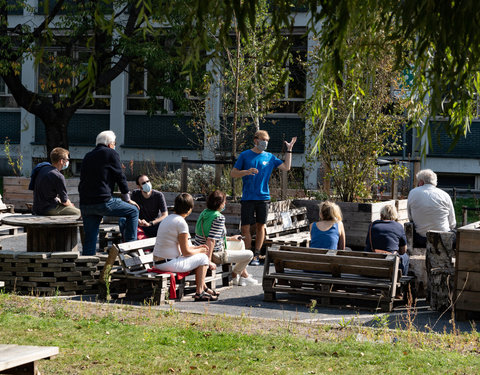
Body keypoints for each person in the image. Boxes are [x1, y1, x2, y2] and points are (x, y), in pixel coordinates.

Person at [231, 130, 297, 265]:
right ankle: (246, 254)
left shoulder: (270, 157)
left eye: (267, 141)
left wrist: (289, 150)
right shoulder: (245, 155)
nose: (265, 143)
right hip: (248, 197)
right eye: (263, 140)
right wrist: (246, 172)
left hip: (263, 197)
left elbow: (286, 167)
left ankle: (256, 254)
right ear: (255, 140)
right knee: (245, 227)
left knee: (261, 226)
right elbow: (233, 173)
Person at [78, 130, 140, 256]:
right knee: (133, 211)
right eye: (114, 143)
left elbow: (83, 180)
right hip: (103, 202)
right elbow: (120, 176)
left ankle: (86, 269)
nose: (115, 145)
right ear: (110, 144)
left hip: (86, 205)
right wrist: (127, 198)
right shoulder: (110, 153)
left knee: (90, 240)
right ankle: (131, 248)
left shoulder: (87, 156)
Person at [153, 193, 217, 302]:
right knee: (203, 258)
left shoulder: (168, 218)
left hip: (159, 262)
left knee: (200, 256)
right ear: (189, 209)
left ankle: (204, 288)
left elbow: (185, 248)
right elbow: (186, 252)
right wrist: (201, 250)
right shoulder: (181, 223)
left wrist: (198, 248)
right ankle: (200, 292)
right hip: (168, 264)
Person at [193, 190, 258, 286]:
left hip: (201, 248)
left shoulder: (204, 213)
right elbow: (211, 240)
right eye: (224, 201)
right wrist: (208, 261)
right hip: (216, 253)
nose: (225, 203)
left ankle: (242, 275)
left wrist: (231, 238)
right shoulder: (218, 217)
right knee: (250, 254)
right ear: (219, 203)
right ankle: (236, 273)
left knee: (240, 243)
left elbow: (212, 235)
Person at [407, 169, 456, 247]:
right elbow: (452, 223)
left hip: (421, 239)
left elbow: (410, 218)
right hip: (443, 238)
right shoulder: (445, 195)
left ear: (421, 182)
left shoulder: (413, 192)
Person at [29, 147, 80, 216]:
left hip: (36, 208)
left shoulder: (42, 169)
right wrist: (71, 205)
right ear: (62, 161)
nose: (68, 161)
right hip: (48, 209)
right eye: (67, 159)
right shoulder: (59, 176)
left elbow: (47, 193)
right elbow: (64, 201)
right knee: (79, 213)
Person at [365, 205, 409, 275]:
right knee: (405, 257)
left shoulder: (372, 226)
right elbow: (403, 251)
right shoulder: (398, 226)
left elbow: (368, 245)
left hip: (370, 270)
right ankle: (402, 281)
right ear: (394, 215)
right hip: (390, 272)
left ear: (381, 215)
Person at [119, 174, 168, 238]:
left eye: (148, 181)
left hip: (154, 225)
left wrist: (151, 223)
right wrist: (137, 220)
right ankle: (128, 242)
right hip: (140, 225)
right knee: (122, 220)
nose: (147, 184)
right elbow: (130, 211)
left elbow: (165, 215)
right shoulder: (135, 194)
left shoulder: (158, 195)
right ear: (138, 186)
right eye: (143, 183)